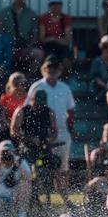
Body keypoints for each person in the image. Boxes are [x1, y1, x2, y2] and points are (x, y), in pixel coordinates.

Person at [25, 56, 75, 203]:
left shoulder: (65, 88)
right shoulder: (36, 87)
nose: (51, 70)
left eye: (54, 67)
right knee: (41, 169)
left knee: (63, 168)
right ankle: (38, 199)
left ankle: (65, 199)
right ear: (43, 69)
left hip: (62, 131)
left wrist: (70, 127)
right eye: (48, 67)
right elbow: (27, 109)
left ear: (59, 70)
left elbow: (71, 110)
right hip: (42, 133)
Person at [0, 0, 42, 75]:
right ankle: (5, 77)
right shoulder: (4, 13)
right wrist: (8, 47)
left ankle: (29, 78)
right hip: (8, 47)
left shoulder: (31, 14)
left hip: (26, 47)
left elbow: (35, 33)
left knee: (39, 54)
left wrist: (28, 48)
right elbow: (0, 32)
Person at [0, 140, 31, 217]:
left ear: (13, 152)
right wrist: (0, 164)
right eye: (3, 152)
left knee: (25, 184)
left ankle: (21, 216)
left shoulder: (19, 160)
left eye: (8, 152)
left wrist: (16, 164)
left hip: (14, 193)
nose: (6, 155)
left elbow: (28, 177)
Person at [38, 0, 72, 72]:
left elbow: (67, 40)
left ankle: (65, 78)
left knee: (66, 61)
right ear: (49, 6)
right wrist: (57, 39)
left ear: (61, 5)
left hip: (62, 46)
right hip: (48, 46)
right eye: (53, 4)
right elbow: (42, 39)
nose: (55, 6)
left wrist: (53, 38)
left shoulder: (66, 18)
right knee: (50, 60)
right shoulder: (44, 18)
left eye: (58, 4)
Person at [89, 35, 108, 103]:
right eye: (105, 46)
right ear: (101, 47)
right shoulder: (97, 61)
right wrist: (106, 87)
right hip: (100, 90)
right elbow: (94, 78)